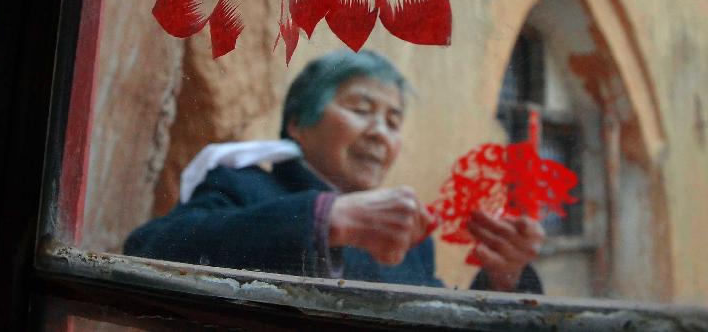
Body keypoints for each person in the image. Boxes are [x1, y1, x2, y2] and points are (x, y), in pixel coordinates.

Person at [124, 50, 544, 291]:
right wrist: (325, 220)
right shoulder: (243, 187)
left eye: (393, 121)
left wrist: (504, 278)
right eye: (361, 109)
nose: (380, 133)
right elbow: (146, 253)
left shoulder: (408, 240)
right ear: (298, 124)